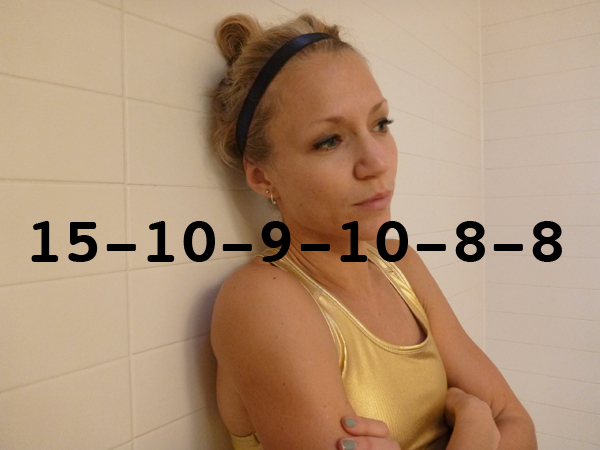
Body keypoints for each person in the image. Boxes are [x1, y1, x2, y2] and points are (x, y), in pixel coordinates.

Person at [208, 12, 537, 450]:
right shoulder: (262, 301)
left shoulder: (397, 259)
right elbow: (497, 420)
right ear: (262, 176)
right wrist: (475, 426)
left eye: (380, 124)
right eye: (329, 140)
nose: (376, 163)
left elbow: (519, 424)